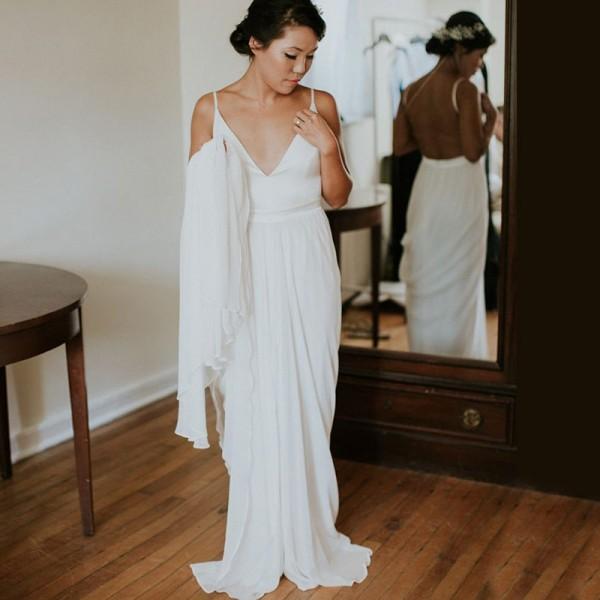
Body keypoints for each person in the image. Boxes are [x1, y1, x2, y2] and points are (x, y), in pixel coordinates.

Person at [181, 1, 372, 598]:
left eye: (310, 56)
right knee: (250, 394)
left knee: (310, 392)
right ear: (255, 44)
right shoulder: (211, 110)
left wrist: (327, 147)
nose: (301, 68)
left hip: (307, 260)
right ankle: (260, 534)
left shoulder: (320, 105)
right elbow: (201, 214)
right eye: (292, 54)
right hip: (243, 269)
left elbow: (337, 197)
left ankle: (309, 533)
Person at [393, 11, 497, 360]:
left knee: (428, 275)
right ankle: (460, 361)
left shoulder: (411, 90)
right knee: (462, 278)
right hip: (461, 190)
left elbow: (400, 147)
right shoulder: (464, 90)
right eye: (478, 56)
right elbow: (473, 152)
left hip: (428, 186)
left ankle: (425, 356)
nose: (479, 65)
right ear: (459, 50)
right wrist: (491, 121)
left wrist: (431, 139)